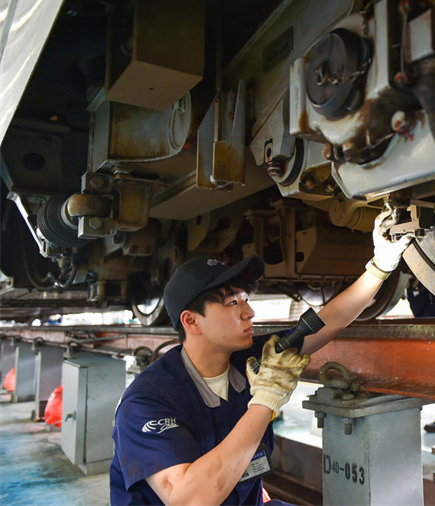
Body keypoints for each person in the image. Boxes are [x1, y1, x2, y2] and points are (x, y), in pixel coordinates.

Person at [109, 205, 412, 505]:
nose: (249, 312)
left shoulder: (251, 359)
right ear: (191, 321)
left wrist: (381, 264)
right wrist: (265, 400)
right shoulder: (147, 402)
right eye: (231, 303)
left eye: (245, 299)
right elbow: (190, 501)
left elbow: (330, 319)